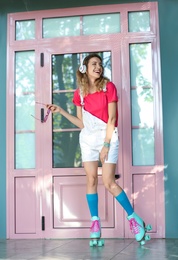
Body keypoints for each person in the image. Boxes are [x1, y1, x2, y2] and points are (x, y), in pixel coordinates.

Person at [47, 53, 149, 245]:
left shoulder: (108, 87)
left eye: (100, 64)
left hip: (107, 135)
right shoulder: (80, 93)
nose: (99, 67)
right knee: (91, 179)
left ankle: (134, 219)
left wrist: (106, 144)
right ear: (85, 68)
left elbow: (112, 119)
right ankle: (95, 223)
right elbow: (81, 123)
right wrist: (60, 111)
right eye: (94, 63)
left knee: (109, 181)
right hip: (87, 139)